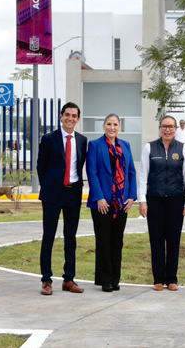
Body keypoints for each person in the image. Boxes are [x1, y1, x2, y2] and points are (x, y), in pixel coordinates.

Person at [36, 102, 88, 296]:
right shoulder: (49, 139)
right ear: (61, 116)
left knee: (71, 237)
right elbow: (41, 166)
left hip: (73, 193)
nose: (70, 119)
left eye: (74, 116)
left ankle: (69, 279)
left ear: (78, 119)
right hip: (53, 194)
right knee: (48, 236)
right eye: (67, 115)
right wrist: (50, 185)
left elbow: (79, 165)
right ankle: (46, 279)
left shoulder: (82, 140)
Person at [138, 115, 185, 291]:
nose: (167, 130)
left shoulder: (183, 149)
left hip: (176, 200)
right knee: (156, 239)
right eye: (164, 126)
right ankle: (158, 279)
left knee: (174, 239)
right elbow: (143, 175)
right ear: (160, 128)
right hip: (155, 199)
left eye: (170, 127)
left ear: (176, 129)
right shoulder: (150, 147)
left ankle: (172, 279)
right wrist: (142, 200)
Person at [86, 114, 137, 293]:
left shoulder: (126, 146)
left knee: (117, 241)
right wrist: (99, 197)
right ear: (104, 126)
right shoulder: (95, 145)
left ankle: (115, 279)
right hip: (102, 203)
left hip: (121, 202)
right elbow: (92, 172)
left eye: (115, 124)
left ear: (119, 127)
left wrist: (132, 196)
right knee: (103, 241)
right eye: (109, 124)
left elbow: (131, 172)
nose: (112, 127)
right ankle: (105, 280)